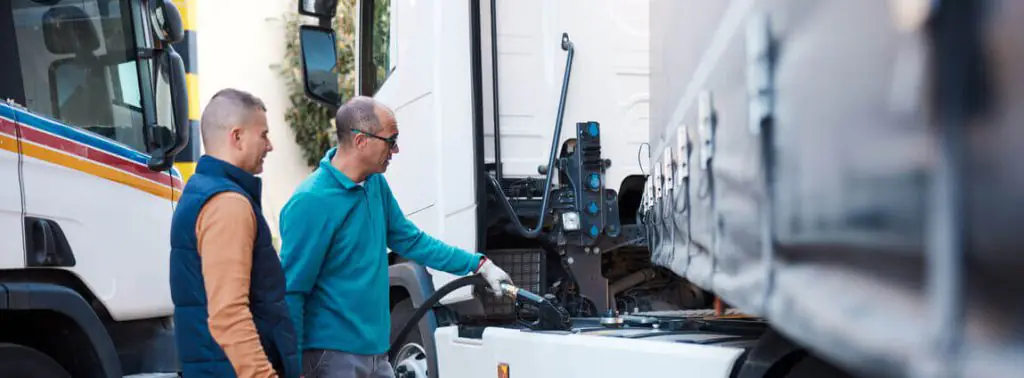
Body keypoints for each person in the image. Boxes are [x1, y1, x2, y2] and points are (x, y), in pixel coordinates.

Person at [279, 96, 512, 378]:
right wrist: (292, 367)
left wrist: (478, 264)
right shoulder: (311, 201)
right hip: (331, 357)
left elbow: (413, 241)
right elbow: (292, 290)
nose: (396, 149)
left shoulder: (375, 184)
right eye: (391, 140)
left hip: (376, 354)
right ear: (361, 140)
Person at [169, 88, 300, 378]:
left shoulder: (201, 192)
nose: (270, 146)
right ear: (237, 137)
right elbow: (229, 315)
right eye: (263, 134)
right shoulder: (228, 204)